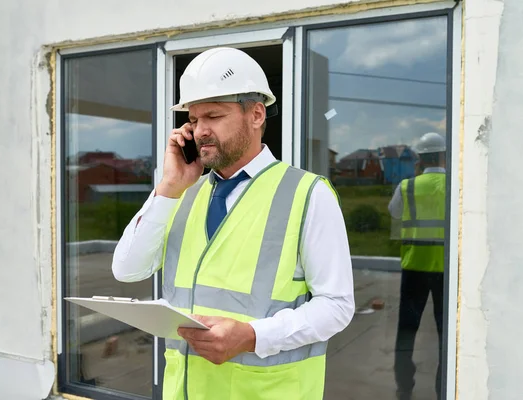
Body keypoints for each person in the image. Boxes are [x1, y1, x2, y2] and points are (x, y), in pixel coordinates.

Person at [111, 47, 355, 400]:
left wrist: (253, 335)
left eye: (213, 116)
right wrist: (167, 187)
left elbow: (336, 305)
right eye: (193, 120)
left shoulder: (307, 194)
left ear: (256, 115)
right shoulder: (183, 192)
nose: (199, 131)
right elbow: (127, 269)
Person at [388, 132, 446, 400]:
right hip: (446, 271)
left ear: (419, 160)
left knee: (407, 333)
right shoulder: (454, 185)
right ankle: (442, 388)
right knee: (446, 334)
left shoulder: (407, 186)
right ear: (444, 156)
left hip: (414, 269)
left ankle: (404, 388)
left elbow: (394, 212)